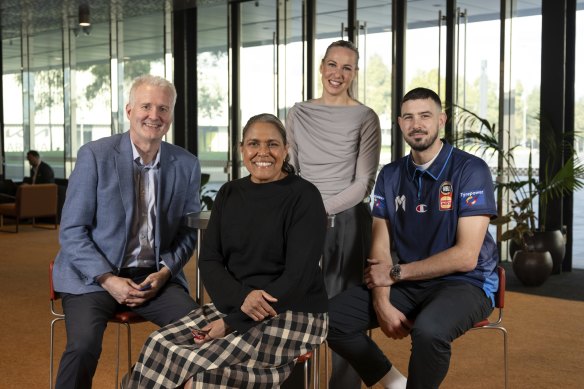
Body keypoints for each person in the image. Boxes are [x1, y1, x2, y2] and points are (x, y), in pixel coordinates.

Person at [126, 113, 328, 388]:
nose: (262, 153)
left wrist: (233, 322)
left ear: (286, 150)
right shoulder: (229, 193)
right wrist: (240, 301)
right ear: (241, 149)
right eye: (254, 144)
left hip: (294, 313)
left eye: (272, 144)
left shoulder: (305, 196)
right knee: (158, 344)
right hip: (237, 304)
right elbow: (209, 260)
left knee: (198, 376)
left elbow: (298, 278)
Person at [326, 87, 499, 389]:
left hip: (466, 283)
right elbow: (380, 245)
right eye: (409, 117)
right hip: (406, 283)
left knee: (429, 332)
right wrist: (381, 302)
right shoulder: (390, 175)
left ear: (441, 120)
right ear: (399, 122)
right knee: (329, 319)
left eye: (425, 116)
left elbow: (465, 256)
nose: (416, 124)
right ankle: (396, 384)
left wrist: (395, 273)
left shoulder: (471, 169)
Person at [52, 75, 201, 389]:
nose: (154, 115)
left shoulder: (185, 164)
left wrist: (165, 271)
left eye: (163, 108)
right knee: (83, 346)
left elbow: (188, 233)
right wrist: (108, 279)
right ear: (129, 110)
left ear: (171, 115)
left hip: (152, 279)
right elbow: (72, 231)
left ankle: (137, 381)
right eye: (146, 106)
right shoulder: (95, 155)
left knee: (201, 333)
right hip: (93, 279)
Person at [285, 39, 381, 387]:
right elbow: (290, 167)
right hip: (301, 220)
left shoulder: (366, 117)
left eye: (347, 68)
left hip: (348, 220)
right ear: (321, 66)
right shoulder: (297, 112)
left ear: (355, 73)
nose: (337, 74)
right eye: (332, 65)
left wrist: (320, 210)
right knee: (292, 304)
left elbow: (364, 182)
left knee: (344, 311)